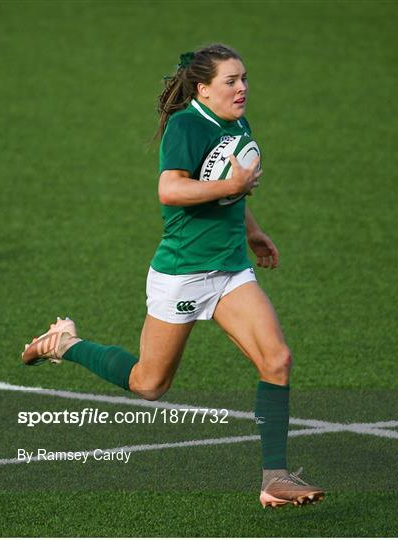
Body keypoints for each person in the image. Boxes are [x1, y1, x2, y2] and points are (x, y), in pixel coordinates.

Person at [22, 43, 324, 508]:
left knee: (277, 360)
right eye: (231, 81)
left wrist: (254, 232)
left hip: (229, 270)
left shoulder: (237, 122)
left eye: (244, 79)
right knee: (149, 384)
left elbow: (228, 190)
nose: (242, 87)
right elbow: (172, 188)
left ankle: (275, 478)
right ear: (204, 88)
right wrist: (234, 185)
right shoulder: (186, 125)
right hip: (183, 273)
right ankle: (67, 344)